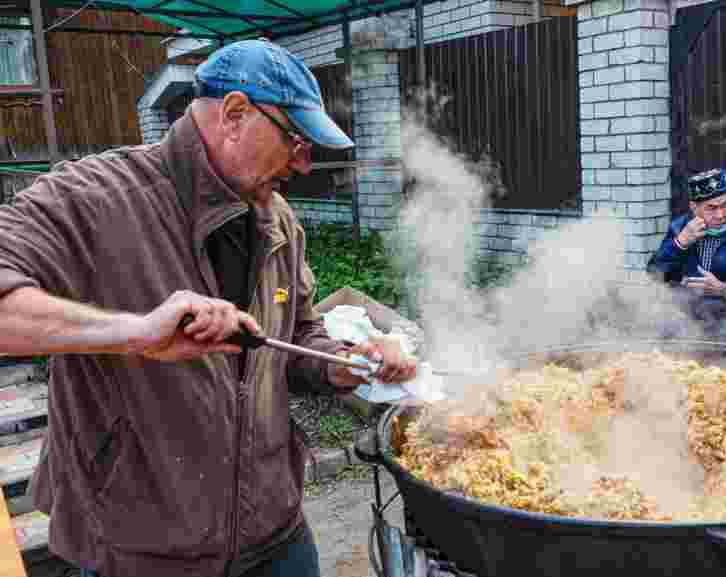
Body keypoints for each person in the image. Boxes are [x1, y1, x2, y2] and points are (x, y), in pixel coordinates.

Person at [0, 39, 417, 577]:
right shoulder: (92, 198)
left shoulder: (277, 217)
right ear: (235, 114)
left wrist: (342, 361)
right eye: (294, 139)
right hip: (143, 553)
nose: (304, 163)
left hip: (275, 531)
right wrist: (135, 332)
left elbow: (300, 333)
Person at [646, 168, 726, 343]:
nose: (721, 215)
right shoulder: (680, 228)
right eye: (711, 208)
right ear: (694, 207)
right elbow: (655, 273)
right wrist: (680, 242)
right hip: (684, 325)